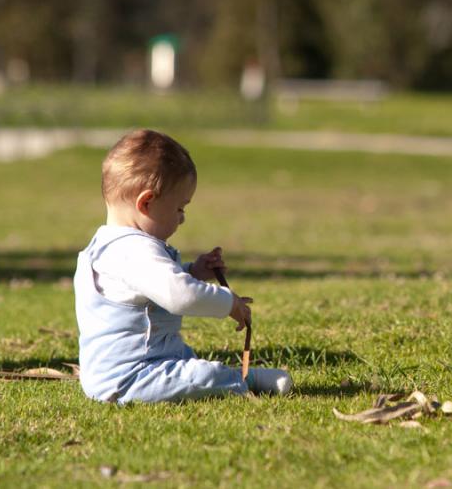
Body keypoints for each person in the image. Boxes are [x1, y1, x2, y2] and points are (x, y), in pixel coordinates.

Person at [74, 128, 292, 404]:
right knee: (201, 377)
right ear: (147, 202)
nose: (182, 219)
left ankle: (226, 375)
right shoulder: (133, 251)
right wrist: (228, 303)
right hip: (132, 376)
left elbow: (150, 289)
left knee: (187, 363)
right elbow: (180, 296)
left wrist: (193, 272)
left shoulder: (108, 244)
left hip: (139, 364)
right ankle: (240, 380)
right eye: (180, 208)